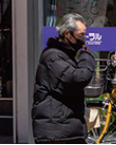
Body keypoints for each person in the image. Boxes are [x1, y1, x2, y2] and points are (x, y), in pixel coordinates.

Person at [33, 14, 97, 144]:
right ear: (67, 34)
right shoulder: (53, 57)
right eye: (81, 35)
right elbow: (77, 79)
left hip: (64, 129)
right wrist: (86, 57)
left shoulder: (65, 55)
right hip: (57, 131)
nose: (84, 40)